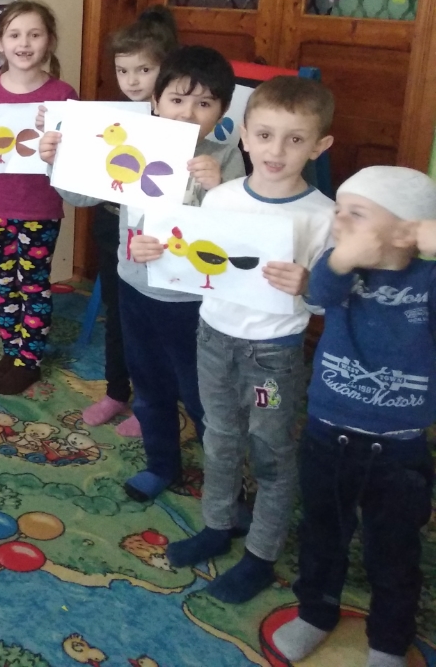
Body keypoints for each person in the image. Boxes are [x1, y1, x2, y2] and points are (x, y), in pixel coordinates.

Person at [159, 77, 335, 603]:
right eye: (264, 135)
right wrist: (157, 252)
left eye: (295, 139)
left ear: (319, 145)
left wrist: (308, 286)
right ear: (244, 137)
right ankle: (218, 525)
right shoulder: (222, 197)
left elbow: (328, 302)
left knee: (271, 450)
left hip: (273, 356)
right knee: (219, 437)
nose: (276, 151)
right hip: (213, 338)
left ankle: (260, 554)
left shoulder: (323, 215)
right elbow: (195, 264)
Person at [42, 45, 244, 500]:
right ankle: (161, 464)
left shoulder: (225, 158)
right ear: (155, 101)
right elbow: (80, 196)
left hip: (195, 303)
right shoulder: (136, 143)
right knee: (149, 385)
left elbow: (237, 234)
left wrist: (220, 188)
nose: (187, 113)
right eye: (176, 99)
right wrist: (55, 160)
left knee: (203, 394)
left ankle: (226, 482)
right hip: (135, 288)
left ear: (222, 111)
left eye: (204, 103)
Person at [272, 167, 436, 667]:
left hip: (400, 446)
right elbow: (318, 293)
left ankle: (388, 640)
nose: (338, 220)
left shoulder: (428, 279)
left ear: (406, 230)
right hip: (328, 434)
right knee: (322, 535)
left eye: (356, 213)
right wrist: (342, 257)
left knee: (394, 551)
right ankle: (315, 613)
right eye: (338, 209)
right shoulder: (339, 269)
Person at [0, 0, 77, 395]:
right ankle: (11, 349)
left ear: (49, 41)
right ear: (0, 43)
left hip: (39, 207)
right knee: (3, 282)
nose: (24, 43)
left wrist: (57, 131)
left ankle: (29, 360)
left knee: (32, 284)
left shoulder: (62, 94)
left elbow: (76, 154)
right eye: (15, 35)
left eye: (35, 35)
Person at [84, 6, 179, 437]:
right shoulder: (115, 121)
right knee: (118, 313)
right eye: (123, 71)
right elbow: (88, 181)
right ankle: (116, 390)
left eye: (144, 70)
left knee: (155, 325)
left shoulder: (181, 122)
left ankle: (151, 402)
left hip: (162, 237)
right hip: (114, 229)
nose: (133, 81)